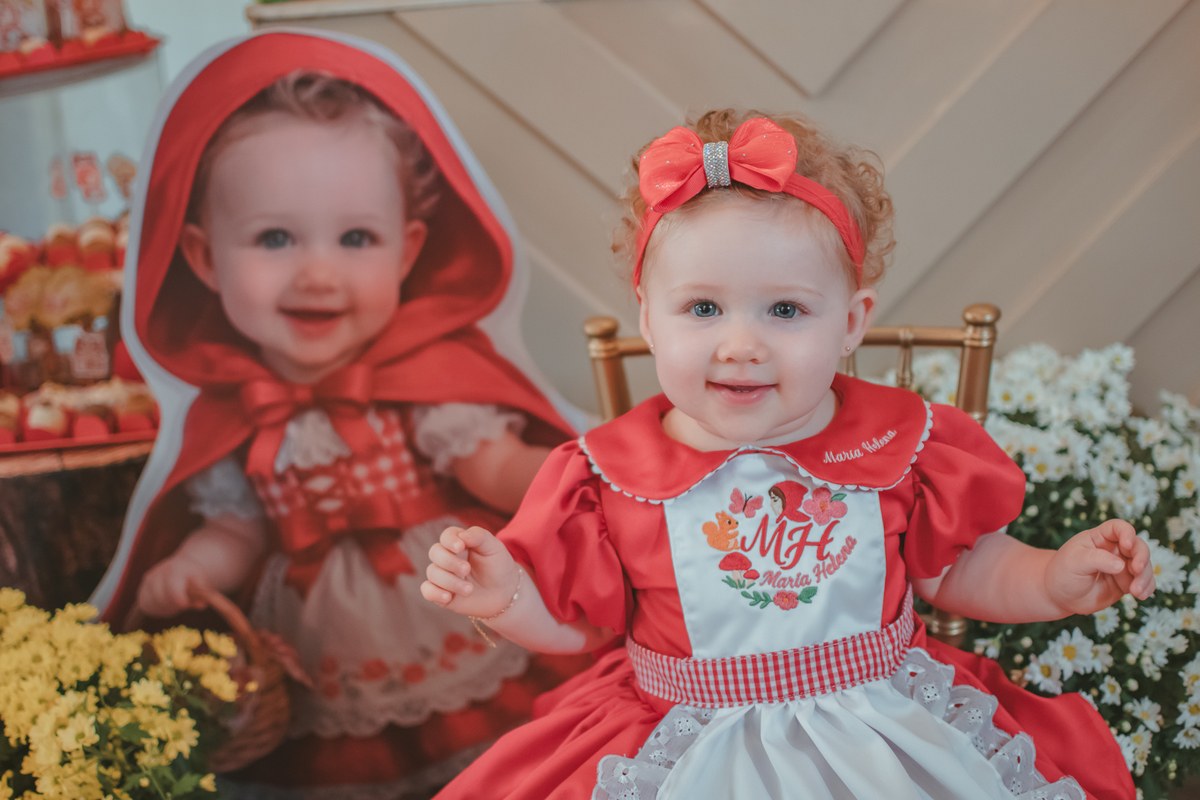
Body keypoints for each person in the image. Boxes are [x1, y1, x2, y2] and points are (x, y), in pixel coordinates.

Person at [421, 111, 1149, 800]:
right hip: (685, 728)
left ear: (851, 323)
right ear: (648, 315)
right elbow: (579, 626)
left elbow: (957, 567)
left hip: (881, 727)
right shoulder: (607, 475)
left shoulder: (903, 443)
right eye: (703, 309)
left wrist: (1053, 578)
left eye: (786, 310)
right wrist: (509, 598)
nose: (742, 344)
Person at [91, 31, 588, 800]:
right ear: (203, 257)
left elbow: (490, 464)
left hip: (445, 617)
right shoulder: (239, 419)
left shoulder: (426, 385)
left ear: (407, 250)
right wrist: (192, 569)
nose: (317, 272)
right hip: (321, 658)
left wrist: (569, 473)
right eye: (275, 237)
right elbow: (238, 529)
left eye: (357, 237)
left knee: (494, 766)